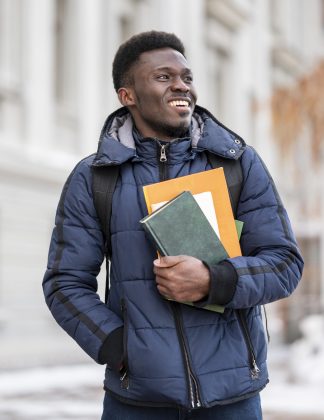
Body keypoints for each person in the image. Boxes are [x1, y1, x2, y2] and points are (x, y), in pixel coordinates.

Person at [43, 31, 304, 419]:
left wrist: (215, 280)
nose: (181, 85)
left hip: (233, 399)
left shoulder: (236, 163)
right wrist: (119, 347)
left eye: (187, 76)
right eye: (163, 77)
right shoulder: (95, 178)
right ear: (127, 95)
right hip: (137, 402)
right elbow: (64, 284)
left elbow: (285, 263)